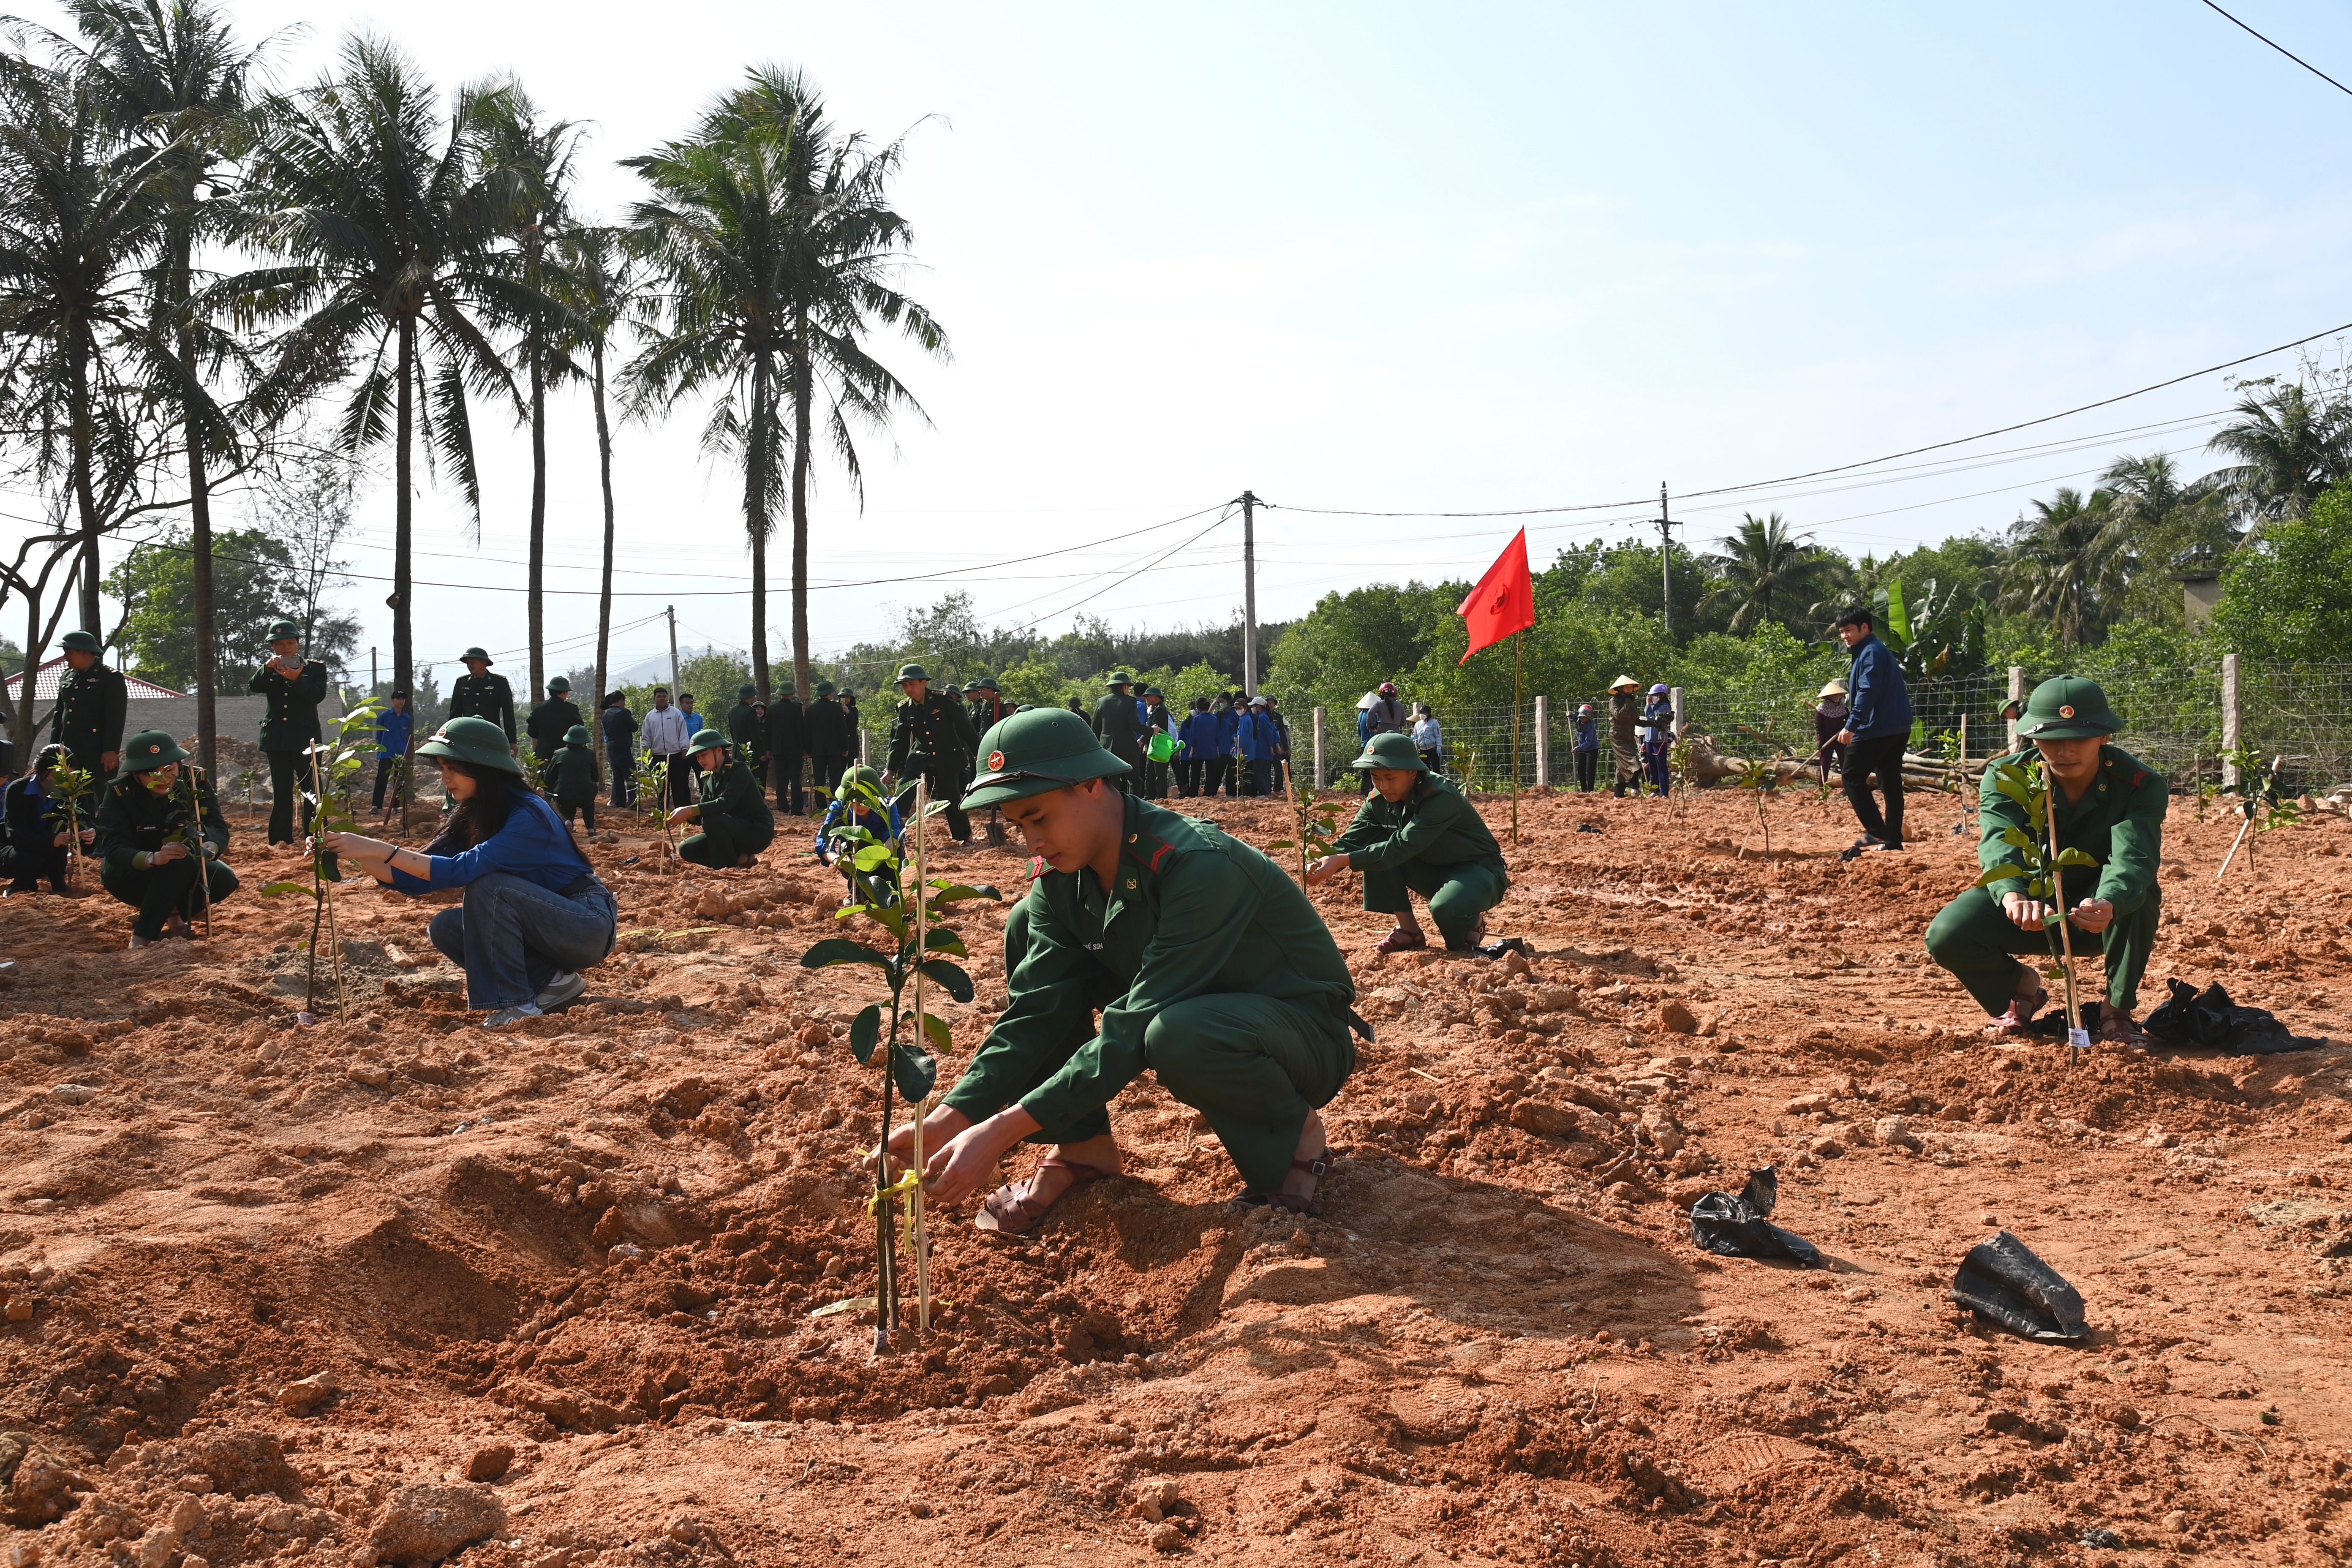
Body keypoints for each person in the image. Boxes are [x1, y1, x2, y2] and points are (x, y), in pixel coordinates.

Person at [880, 708, 1361, 1233]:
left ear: (1091, 784)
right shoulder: (1062, 877)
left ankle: (1296, 1140)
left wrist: (1003, 1129)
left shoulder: (1195, 863)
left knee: (1177, 1035)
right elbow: (1039, 1011)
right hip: (1197, 1012)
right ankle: (1083, 1148)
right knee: (1025, 925)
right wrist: (952, 1117)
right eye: (1020, 826)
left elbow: (1137, 1023)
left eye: (1039, 818)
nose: (1032, 843)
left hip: (1297, 1037)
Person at [318, 716, 616, 1028]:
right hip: (549, 926)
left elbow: (460, 870)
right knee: (447, 926)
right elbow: (415, 877)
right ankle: (552, 982)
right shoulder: (477, 813)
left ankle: (518, 1004)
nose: (446, 778)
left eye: (454, 769)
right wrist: (354, 853)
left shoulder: (529, 814)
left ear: (483, 768)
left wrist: (379, 848)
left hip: (585, 926)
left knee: (490, 887)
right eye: (443, 769)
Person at [1925, 677, 2162, 1047]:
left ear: (2105, 737)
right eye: (2052, 739)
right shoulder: (2007, 777)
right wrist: (2011, 895)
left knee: (2141, 894)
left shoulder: (2139, 785)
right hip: (2032, 904)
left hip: (2097, 914)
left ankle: (2116, 1011)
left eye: (2079, 738)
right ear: (2033, 739)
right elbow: (1999, 840)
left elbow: (2133, 858)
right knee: (1948, 934)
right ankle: (2020, 988)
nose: (2065, 750)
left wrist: (2110, 901)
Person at [1307, 731, 1508, 954]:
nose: (1383, 786)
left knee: (1448, 914)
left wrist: (1344, 860)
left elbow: (1403, 846)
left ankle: (1471, 924)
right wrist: (1319, 861)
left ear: (1413, 772)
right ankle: (1409, 931)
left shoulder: (1439, 797)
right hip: (1431, 868)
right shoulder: (1377, 801)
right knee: (1375, 848)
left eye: (1390, 778)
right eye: (1376, 777)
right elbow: (1352, 841)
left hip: (1477, 872)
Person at [95, 730, 235, 948]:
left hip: (184, 864)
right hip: (133, 876)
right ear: (136, 775)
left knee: (223, 878)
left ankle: (175, 914)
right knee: (176, 861)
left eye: (169, 769)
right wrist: (153, 858)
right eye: (151, 773)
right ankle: (142, 937)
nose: (162, 778)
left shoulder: (195, 782)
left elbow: (217, 825)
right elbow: (115, 849)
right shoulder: (119, 793)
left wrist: (212, 846)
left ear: (179, 765)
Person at [1832, 606, 1913, 852]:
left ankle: (1877, 832)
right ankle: (1893, 841)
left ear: (1865, 628)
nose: (1845, 636)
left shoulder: (1870, 652)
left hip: (1876, 727)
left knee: (1852, 777)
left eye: (1849, 631)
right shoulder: (1877, 650)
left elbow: (1868, 691)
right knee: (1890, 782)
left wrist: (1852, 725)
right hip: (1898, 727)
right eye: (1842, 632)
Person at [249, 621, 329, 846]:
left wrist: (297, 679)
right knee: (281, 792)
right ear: (273, 647)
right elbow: (254, 686)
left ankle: (315, 837)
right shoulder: (269, 668)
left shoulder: (314, 669)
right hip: (277, 740)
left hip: (306, 739)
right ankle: (280, 840)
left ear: (298, 643)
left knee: (312, 791)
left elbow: (317, 696)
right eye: (280, 644)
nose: (286, 648)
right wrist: (266, 668)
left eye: (290, 642)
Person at [885, 662, 980, 842]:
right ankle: (894, 833)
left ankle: (965, 837)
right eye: (905, 685)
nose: (908, 689)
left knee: (950, 796)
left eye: (912, 684)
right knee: (903, 790)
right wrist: (890, 769)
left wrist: (977, 752)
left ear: (924, 683)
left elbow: (964, 726)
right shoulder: (905, 709)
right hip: (920, 756)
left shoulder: (942, 699)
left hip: (947, 756)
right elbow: (900, 741)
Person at [670, 727, 775, 868]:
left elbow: (726, 803)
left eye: (704, 754)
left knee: (712, 821)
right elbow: (704, 813)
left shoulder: (738, 770)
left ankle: (728, 869)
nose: (701, 760)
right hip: (732, 830)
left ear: (719, 751)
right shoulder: (709, 777)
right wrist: (685, 816)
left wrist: (690, 810)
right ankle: (741, 859)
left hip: (757, 832)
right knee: (687, 848)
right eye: (698, 757)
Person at [1, 744, 88, 895]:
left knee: (59, 848)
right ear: (40, 771)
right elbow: (17, 836)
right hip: (15, 850)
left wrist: (89, 834)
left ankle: (58, 882)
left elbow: (86, 822)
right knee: (27, 858)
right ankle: (22, 883)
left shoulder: (72, 792)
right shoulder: (18, 790)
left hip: (51, 853)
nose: (63, 781)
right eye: (56, 776)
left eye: (69, 775)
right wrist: (51, 840)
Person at [814, 765, 903, 904]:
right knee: (851, 845)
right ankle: (857, 893)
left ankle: (890, 893)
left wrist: (875, 856)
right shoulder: (839, 808)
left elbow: (895, 835)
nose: (859, 805)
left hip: (884, 855)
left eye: (865, 800)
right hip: (853, 859)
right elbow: (824, 841)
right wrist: (838, 860)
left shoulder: (887, 805)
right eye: (854, 801)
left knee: (897, 851)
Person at [46, 629, 126, 777]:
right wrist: (53, 749)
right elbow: (60, 716)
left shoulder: (110, 678)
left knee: (97, 798)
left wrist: (111, 750)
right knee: (68, 797)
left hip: (96, 754)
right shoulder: (67, 676)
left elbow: (116, 717)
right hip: (68, 753)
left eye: (69, 652)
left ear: (84, 652)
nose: (65, 657)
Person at [639, 686, 693, 814]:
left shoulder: (676, 713)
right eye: (659, 697)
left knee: (678, 785)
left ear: (668, 698)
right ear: (655, 699)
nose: (662, 699)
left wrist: (685, 749)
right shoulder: (650, 717)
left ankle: (680, 811)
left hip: (676, 756)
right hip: (658, 757)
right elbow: (646, 736)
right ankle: (663, 812)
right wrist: (647, 753)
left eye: (664, 696)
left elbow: (683, 733)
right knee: (661, 786)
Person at [448, 646, 517, 745]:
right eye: (468, 663)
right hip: (467, 734)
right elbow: (455, 714)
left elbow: (508, 714)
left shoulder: (499, 682)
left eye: (473, 662)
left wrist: (512, 741)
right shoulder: (462, 683)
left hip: (492, 734)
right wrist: (450, 736)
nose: (470, 665)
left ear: (484, 662)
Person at [1090, 671, 1145, 791]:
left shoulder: (1102, 702)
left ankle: (1111, 808)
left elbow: (1095, 728)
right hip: (1128, 748)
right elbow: (1134, 725)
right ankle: (1134, 807)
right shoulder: (1130, 701)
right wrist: (1152, 731)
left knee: (1110, 782)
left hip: (1107, 749)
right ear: (1125, 686)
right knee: (1134, 780)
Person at [525, 675, 583, 775]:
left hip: (543, 752)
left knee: (544, 781)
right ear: (565, 693)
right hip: (566, 752)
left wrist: (545, 737)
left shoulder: (538, 708)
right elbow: (579, 731)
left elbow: (532, 731)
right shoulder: (572, 710)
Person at [372, 690, 414, 816]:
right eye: (398, 698)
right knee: (382, 779)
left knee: (399, 780)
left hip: (400, 753)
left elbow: (406, 736)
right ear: (393, 700)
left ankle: (396, 806)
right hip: (386, 752)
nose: (401, 701)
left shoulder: (407, 718)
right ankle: (376, 806)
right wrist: (381, 748)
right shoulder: (384, 717)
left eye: (403, 699)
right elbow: (379, 734)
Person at [768, 681, 806, 816]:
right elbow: (801, 731)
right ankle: (796, 808)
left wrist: (769, 749)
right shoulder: (796, 709)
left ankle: (783, 806)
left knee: (781, 779)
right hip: (794, 750)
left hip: (778, 750)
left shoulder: (771, 709)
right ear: (792, 693)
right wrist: (804, 748)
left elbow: (768, 732)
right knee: (796, 779)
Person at [553, 724, 599, 833]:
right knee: (589, 804)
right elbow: (596, 777)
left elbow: (550, 777)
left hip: (564, 793)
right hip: (586, 793)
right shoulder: (590, 754)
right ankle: (590, 828)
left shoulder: (559, 754)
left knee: (564, 807)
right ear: (585, 742)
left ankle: (567, 821)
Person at [806, 680, 849, 796]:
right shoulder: (837, 708)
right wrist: (845, 747)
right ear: (830, 694)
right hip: (835, 750)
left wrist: (808, 750)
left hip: (817, 750)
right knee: (835, 778)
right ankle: (835, 802)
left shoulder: (810, 709)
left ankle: (820, 804)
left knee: (819, 779)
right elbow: (842, 729)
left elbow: (808, 731)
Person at [1236, 696, 1283, 797]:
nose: (1252, 708)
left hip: (1262, 748)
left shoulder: (1262, 717)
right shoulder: (1264, 716)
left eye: (1254, 706)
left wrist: (1271, 746)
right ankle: (1267, 792)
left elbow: (1269, 732)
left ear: (1259, 707)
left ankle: (1264, 792)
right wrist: (1276, 744)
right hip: (1264, 747)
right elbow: (1273, 730)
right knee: (1264, 771)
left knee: (1257, 770)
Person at [600, 693, 638, 808]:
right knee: (632, 777)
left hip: (611, 749)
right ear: (621, 700)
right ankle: (633, 803)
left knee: (618, 777)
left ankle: (620, 804)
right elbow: (635, 728)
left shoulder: (605, 715)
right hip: (623, 749)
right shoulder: (623, 713)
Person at [1607, 675, 1643, 796]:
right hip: (1617, 736)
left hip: (1629, 736)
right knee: (1633, 762)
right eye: (1626, 687)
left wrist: (1653, 723)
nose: (1629, 689)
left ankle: (1619, 794)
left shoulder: (1631, 702)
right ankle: (1635, 789)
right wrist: (1628, 703)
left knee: (1622, 765)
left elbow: (1636, 721)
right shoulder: (1614, 701)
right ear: (1620, 689)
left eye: (1631, 687)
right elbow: (1619, 716)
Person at [1140, 686, 1176, 799]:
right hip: (1153, 744)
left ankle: (1161, 797)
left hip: (1159, 746)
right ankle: (1149, 796)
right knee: (1149, 772)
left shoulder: (1160, 710)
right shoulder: (1155, 709)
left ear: (1156, 697)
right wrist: (1147, 744)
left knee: (1159, 773)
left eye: (1149, 696)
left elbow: (1154, 728)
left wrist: (1142, 741)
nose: (1147, 699)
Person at [1812, 679, 1850, 784]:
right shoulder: (1821, 709)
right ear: (1828, 697)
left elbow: (1850, 721)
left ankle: (1846, 786)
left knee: (1845, 762)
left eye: (1839, 695)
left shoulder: (1843, 709)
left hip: (1841, 738)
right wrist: (1821, 742)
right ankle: (1822, 786)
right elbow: (1819, 727)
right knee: (1825, 763)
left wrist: (1845, 729)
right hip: (1827, 740)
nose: (1837, 698)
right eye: (1835, 696)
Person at [1641, 683, 1675, 797]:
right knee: (1653, 767)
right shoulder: (1653, 707)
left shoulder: (1664, 707)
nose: (1653, 698)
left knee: (1661, 767)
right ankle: (1654, 790)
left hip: (1659, 741)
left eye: (1655, 695)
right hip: (1650, 740)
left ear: (1662, 695)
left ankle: (1664, 792)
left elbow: (1651, 718)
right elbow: (1649, 725)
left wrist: (1648, 705)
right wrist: (1645, 741)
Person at [726, 682, 762, 768]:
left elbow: (733, 733)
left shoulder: (733, 710)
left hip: (737, 752)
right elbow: (755, 734)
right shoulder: (750, 711)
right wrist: (762, 753)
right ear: (751, 696)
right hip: (750, 752)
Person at [1571, 702, 1600, 792]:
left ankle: (1590, 790)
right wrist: (1571, 715)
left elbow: (1589, 742)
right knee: (1580, 769)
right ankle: (1584, 790)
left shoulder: (1590, 726)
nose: (1583, 719)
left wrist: (1578, 748)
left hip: (1591, 749)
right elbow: (1575, 718)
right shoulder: (1579, 721)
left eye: (1585, 717)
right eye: (1582, 717)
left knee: (1590, 769)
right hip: (1581, 748)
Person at [1411, 703, 1443, 775]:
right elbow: (1415, 735)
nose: (1422, 714)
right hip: (1423, 750)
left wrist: (1439, 747)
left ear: (1428, 714)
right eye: (1421, 712)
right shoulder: (1418, 724)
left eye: (1424, 713)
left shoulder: (1434, 723)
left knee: (1436, 769)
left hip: (1433, 749)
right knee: (1425, 770)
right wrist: (1414, 739)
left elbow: (1438, 735)